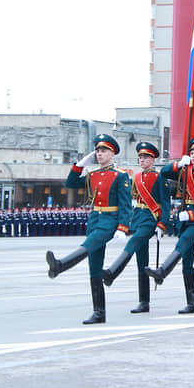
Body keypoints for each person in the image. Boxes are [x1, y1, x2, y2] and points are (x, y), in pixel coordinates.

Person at [46, 134, 131, 324]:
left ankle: (60, 265)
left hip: (110, 220)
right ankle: (99, 312)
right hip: (94, 219)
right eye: (98, 151)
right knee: (94, 267)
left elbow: (126, 204)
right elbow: (70, 183)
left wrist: (123, 228)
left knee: (88, 244)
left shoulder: (120, 175)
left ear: (112, 153)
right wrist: (79, 165)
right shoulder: (92, 175)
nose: (100, 154)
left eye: (104, 151)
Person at [144, 138, 194, 314]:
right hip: (184, 219)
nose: (193, 156)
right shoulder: (184, 171)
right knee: (187, 261)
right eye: (191, 153)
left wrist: (191, 214)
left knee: (183, 242)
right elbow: (164, 172)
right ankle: (191, 303)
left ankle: (162, 271)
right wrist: (178, 164)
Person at [102, 142, 170, 314]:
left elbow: (166, 203)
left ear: (152, 159)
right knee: (142, 263)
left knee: (133, 242)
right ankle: (144, 301)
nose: (142, 160)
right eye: (140, 157)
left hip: (150, 218)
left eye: (145, 157)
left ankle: (113, 271)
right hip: (138, 217)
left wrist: (162, 224)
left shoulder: (159, 176)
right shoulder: (137, 177)